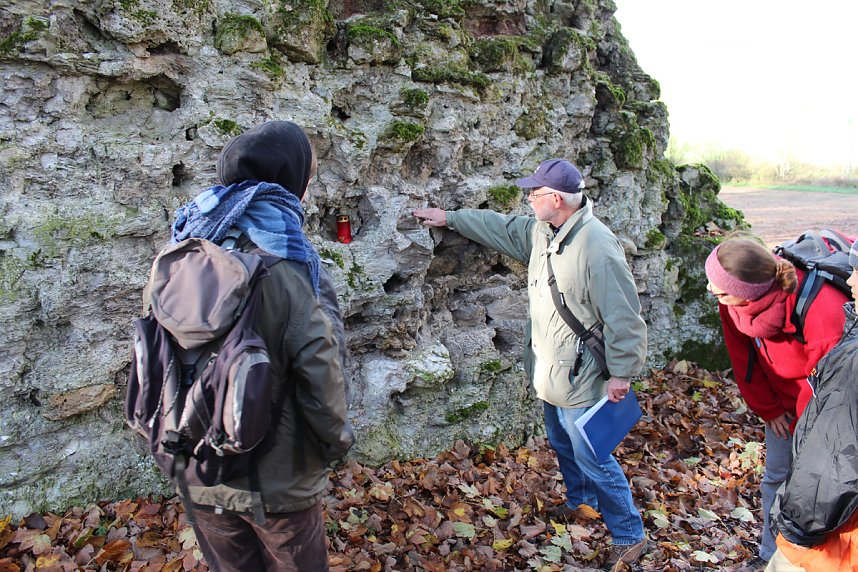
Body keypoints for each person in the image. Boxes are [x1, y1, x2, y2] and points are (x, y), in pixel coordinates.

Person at [413, 158, 649, 571]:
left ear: (555, 199)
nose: (528, 198)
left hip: (581, 373)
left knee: (593, 455)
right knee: (561, 442)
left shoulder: (597, 246)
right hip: (549, 368)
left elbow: (625, 316)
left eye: (534, 193)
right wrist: (450, 218)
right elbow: (501, 228)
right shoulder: (544, 231)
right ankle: (581, 504)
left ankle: (630, 535)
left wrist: (622, 373)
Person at [166, 120, 354, 571]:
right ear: (291, 181)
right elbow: (323, 371)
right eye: (307, 178)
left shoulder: (182, 251)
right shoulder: (292, 266)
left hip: (196, 462)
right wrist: (336, 444)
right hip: (277, 475)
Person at [704, 237, 848, 572]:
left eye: (720, 289)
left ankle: (807, 559)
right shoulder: (731, 298)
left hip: (827, 414)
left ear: (752, 290)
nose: (712, 291)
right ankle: (770, 554)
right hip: (784, 405)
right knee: (777, 478)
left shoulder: (823, 311)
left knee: (817, 490)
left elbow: (834, 389)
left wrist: (809, 437)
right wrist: (767, 408)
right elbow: (743, 358)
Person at [764, 239, 858, 572]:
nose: (849, 282)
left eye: (856, 271)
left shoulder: (853, 362)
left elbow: (836, 460)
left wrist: (796, 528)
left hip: (838, 539)